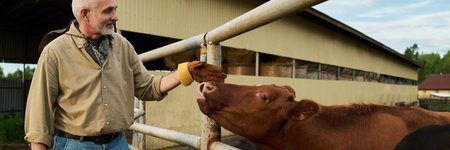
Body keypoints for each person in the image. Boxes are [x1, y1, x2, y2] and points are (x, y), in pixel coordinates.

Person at [24, 0, 226, 149]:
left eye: (115, 9)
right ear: (85, 14)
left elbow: (148, 87)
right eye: (108, 11)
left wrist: (186, 71)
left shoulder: (122, 45)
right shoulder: (55, 51)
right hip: (74, 144)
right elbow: (38, 113)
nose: (115, 16)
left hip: (118, 143)